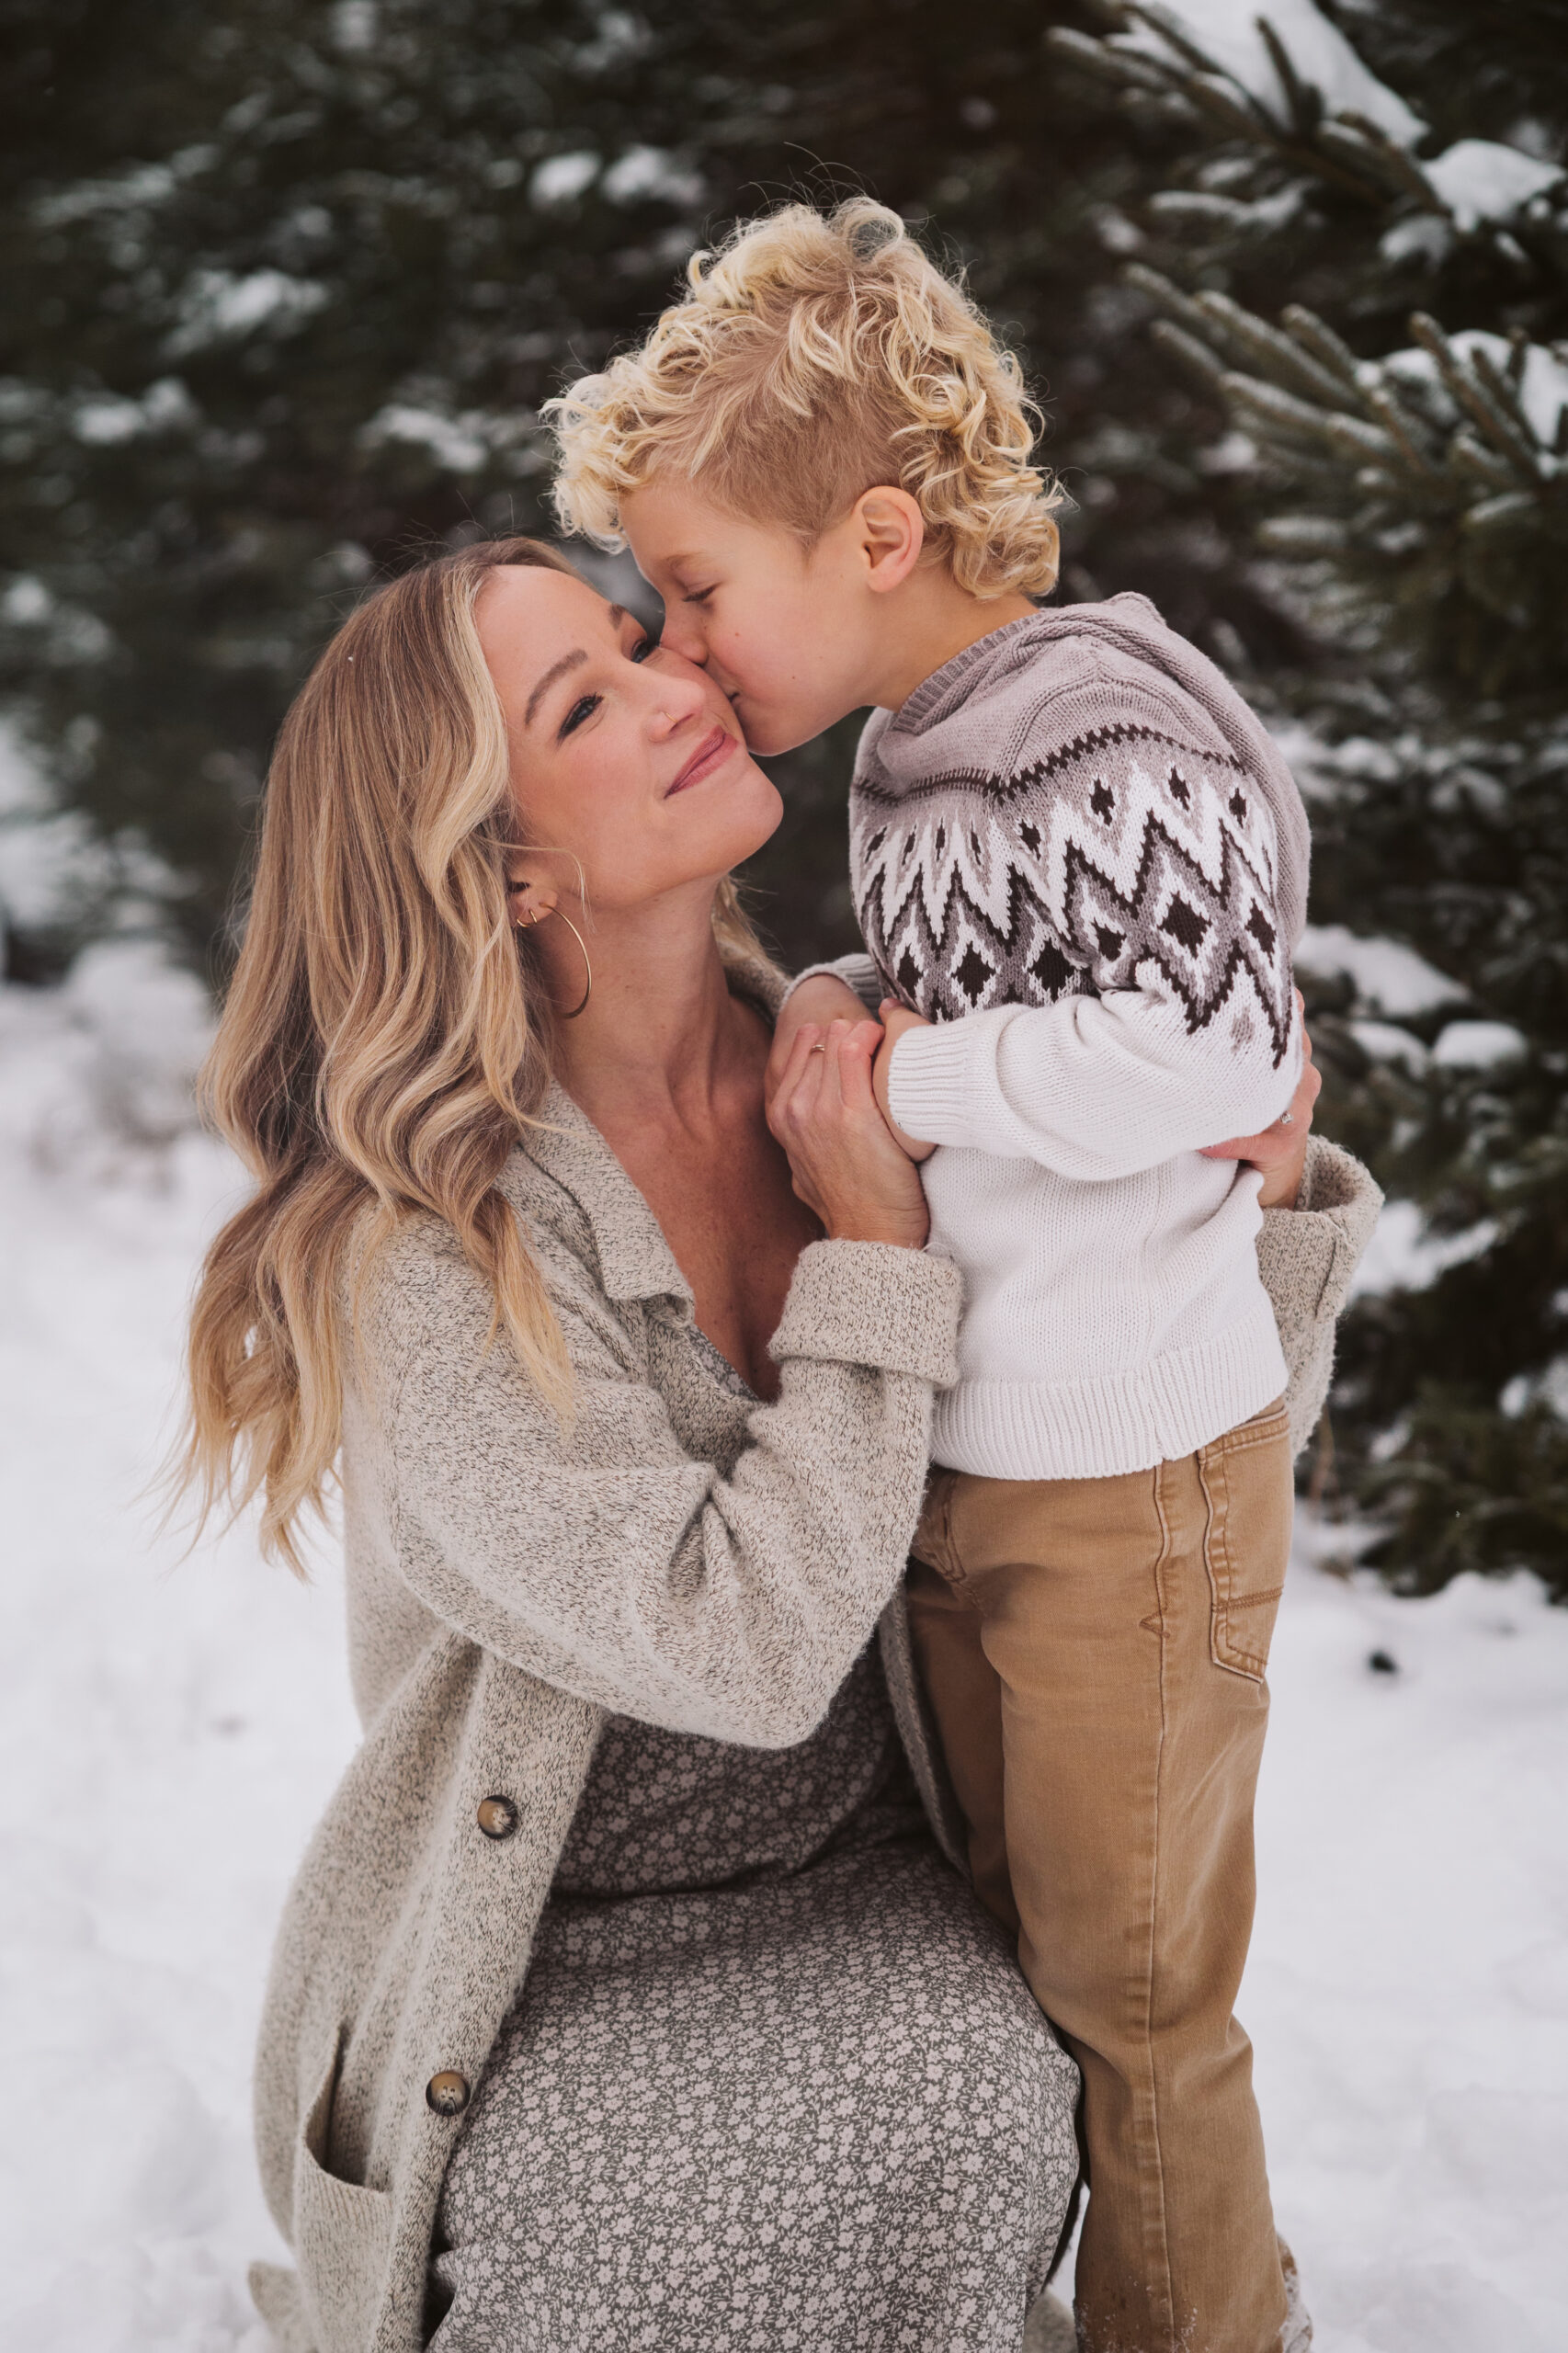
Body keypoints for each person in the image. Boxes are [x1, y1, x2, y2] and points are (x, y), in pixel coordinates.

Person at [180, 535, 1376, 2353]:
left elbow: (1136, 1482)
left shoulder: (893, 1061)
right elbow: (740, 1649)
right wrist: (876, 1259)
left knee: (959, 2104)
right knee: (657, 2257)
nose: (678, 686)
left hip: (879, 1886)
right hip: (547, 1955)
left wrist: (1254, 1213)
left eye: (640, 639)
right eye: (584, 703)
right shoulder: (431, 1249)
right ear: (503, 867)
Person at [548, 199, 1378, 2353]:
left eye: (700, 586)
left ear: (878, 537)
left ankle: (1211, 2326)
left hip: (1127, 1480)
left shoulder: (1087, 719)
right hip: (992, 1461)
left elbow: (1207, 1047)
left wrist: (903, 1075)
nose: (681, 645)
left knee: (1133, 1991)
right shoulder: (927, 746)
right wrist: (848, 994)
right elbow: (1006, 999)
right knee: (1035, 1939)